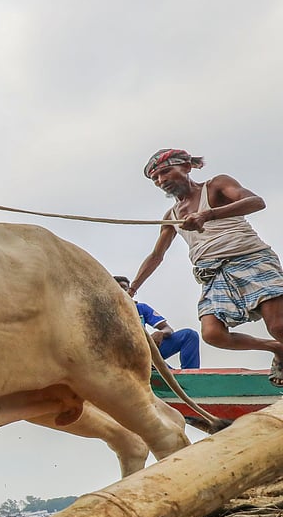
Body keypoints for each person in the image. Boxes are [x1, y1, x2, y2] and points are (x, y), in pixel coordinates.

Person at [131, 149, 283, 386]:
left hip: (251, 259)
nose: (161, 181)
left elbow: (256, 202)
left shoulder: (216, 186)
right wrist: (132, 288)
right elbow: (156, 256)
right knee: (213, 334)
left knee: (279, 325)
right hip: (213, 274)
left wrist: (208, 215)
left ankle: (278, 341)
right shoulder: (171, 217)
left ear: (187, 167)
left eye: (165, 172)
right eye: (156, 179)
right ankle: (275, 348)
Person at [113, 276, 201, 369]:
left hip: (146, 350)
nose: (122, 291)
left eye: (124, 288)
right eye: (117, 288)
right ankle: (158, 370)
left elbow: (168, 329)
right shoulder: (104, 311)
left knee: (189, 335)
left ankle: (190, 374)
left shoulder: (140, 308)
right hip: (122, 356)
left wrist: (161, 333)